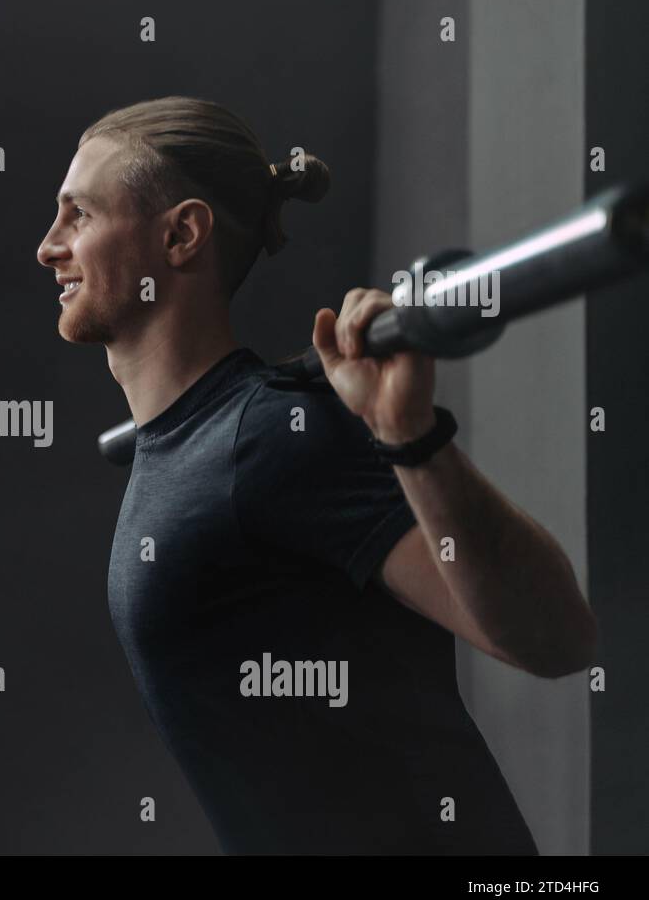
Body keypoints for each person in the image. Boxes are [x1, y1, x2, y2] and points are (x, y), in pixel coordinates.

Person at [35, 95, 597, 854]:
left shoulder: (274, 439)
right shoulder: (177, 445)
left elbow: (556, 639)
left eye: (78, 215)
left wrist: (409, 435)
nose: (49, 246)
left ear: (181, 235)